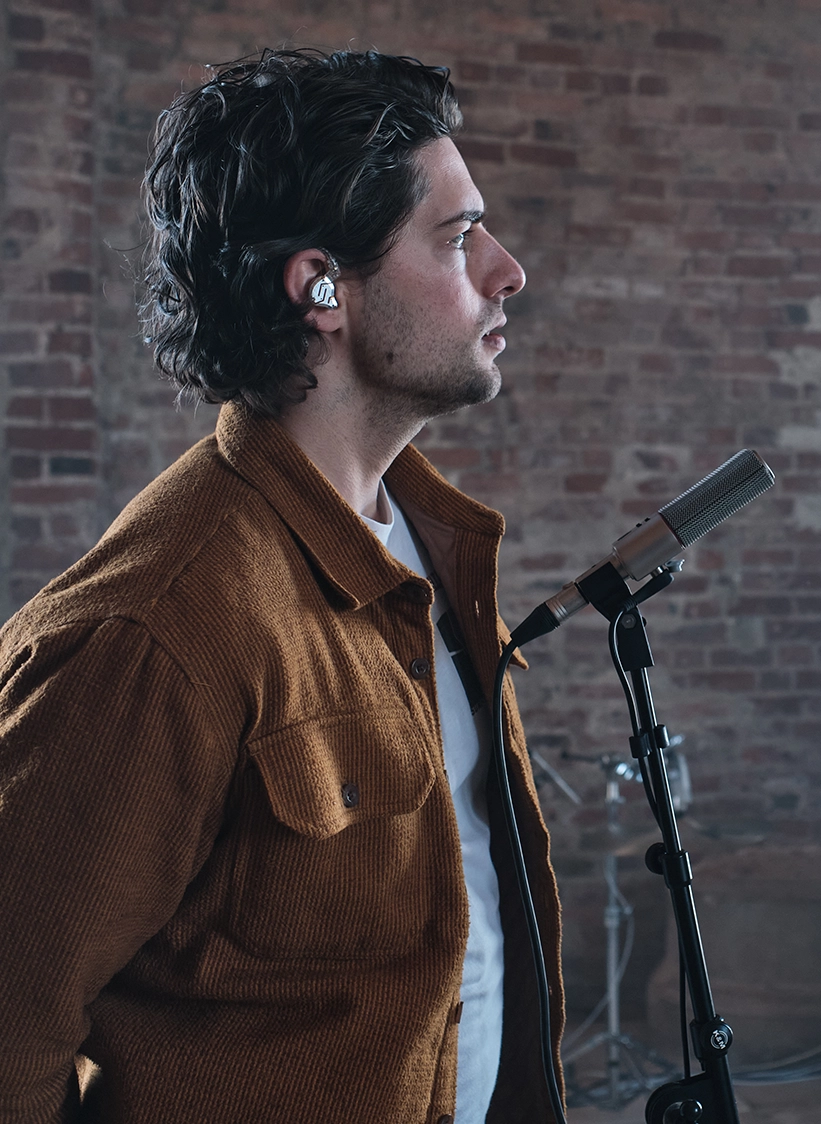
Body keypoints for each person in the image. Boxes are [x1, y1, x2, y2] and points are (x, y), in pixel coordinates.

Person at [0, 50, 562, 1124]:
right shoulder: (152, 629)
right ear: (321, 287)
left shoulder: (431, 552)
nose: (507, 269)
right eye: (456, 237)